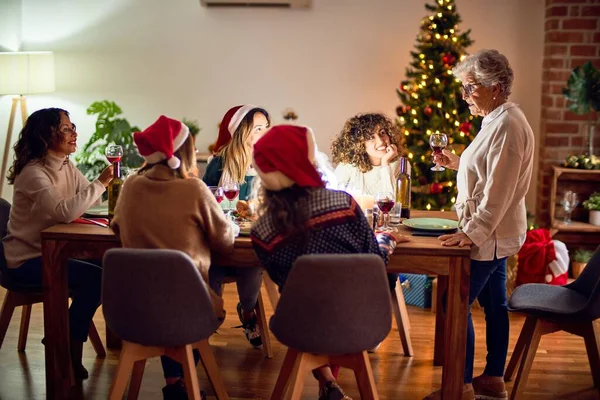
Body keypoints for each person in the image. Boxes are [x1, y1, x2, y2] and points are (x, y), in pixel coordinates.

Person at [251, 124, 407, 400]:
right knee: (330, 303)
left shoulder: (263, 232)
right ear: (309, 159)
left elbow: (290, 285)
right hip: (362, 323)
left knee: (312, 305)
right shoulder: (344, 205)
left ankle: (328, 384)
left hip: (300, 326)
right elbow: (375, 261)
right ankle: (329, 385)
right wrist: (387, 239)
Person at [425, 49, 535, 400]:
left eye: (470, 88)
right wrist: (460, 163)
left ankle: (461, 385)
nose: (464, 96)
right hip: (495, 234)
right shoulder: (497, 120)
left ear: (497, 87)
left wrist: (470, 234)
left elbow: (499, 192)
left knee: (453, 305)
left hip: (489, 235)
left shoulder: (507, 125)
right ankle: (492, 379)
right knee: (494, 304)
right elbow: (490, 174)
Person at [111, 115, 236, 399]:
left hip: (132, 310)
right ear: (184, 151)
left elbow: (116, 226)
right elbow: (225, 242)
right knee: (187, 294)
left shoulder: (130, 186)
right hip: (187, 310)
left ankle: (175, 383)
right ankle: (180, 382)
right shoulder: (194, 190)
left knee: (164, 291)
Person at [1, 108, 113, 380]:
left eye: (72, 126)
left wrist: (104, 184)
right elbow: (65, 212)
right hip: (26, 261)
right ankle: (66, 344)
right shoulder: (33, 173)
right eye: (65, 128)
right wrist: (101, 181)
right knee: (97, 279)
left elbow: (92, 200)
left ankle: (63, 335)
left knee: (109, 265)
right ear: (45, 134)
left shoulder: (65, 165)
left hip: (52, 253)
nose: (74, 133)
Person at [202, 105, 270, 348]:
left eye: (266, 128)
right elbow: (205, 200)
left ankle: (249, 312)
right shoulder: (220, 163)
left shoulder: (269, 162)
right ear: (242, 132)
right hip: (220, 238)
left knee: (252, 264)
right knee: (214, 272)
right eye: (258, 129)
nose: (264, 134)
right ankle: (207, 326)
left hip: (251, 239)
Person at [331, 113, 402, 195]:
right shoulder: (348, 165)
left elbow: (393, 203)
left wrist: (385, 163)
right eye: (370, 137)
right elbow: (330, 197)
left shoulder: (401, 165)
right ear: (360, 144)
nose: (380, 141)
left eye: (382, 133)